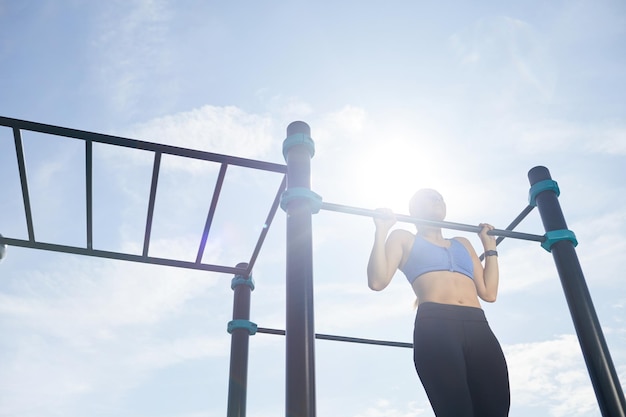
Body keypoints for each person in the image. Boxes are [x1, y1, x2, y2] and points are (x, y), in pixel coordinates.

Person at [367, 188, 510, 417]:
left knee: (495, 410)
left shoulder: (462, 242)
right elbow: (377, 281)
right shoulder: (403, 237)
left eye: (440, 197)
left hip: (478, 326)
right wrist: (381, 230)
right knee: (456, 410)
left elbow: (489, 293)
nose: (437, 199)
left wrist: (489, 248)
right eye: (429, 196)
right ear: (414, 207)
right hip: (436, 326)